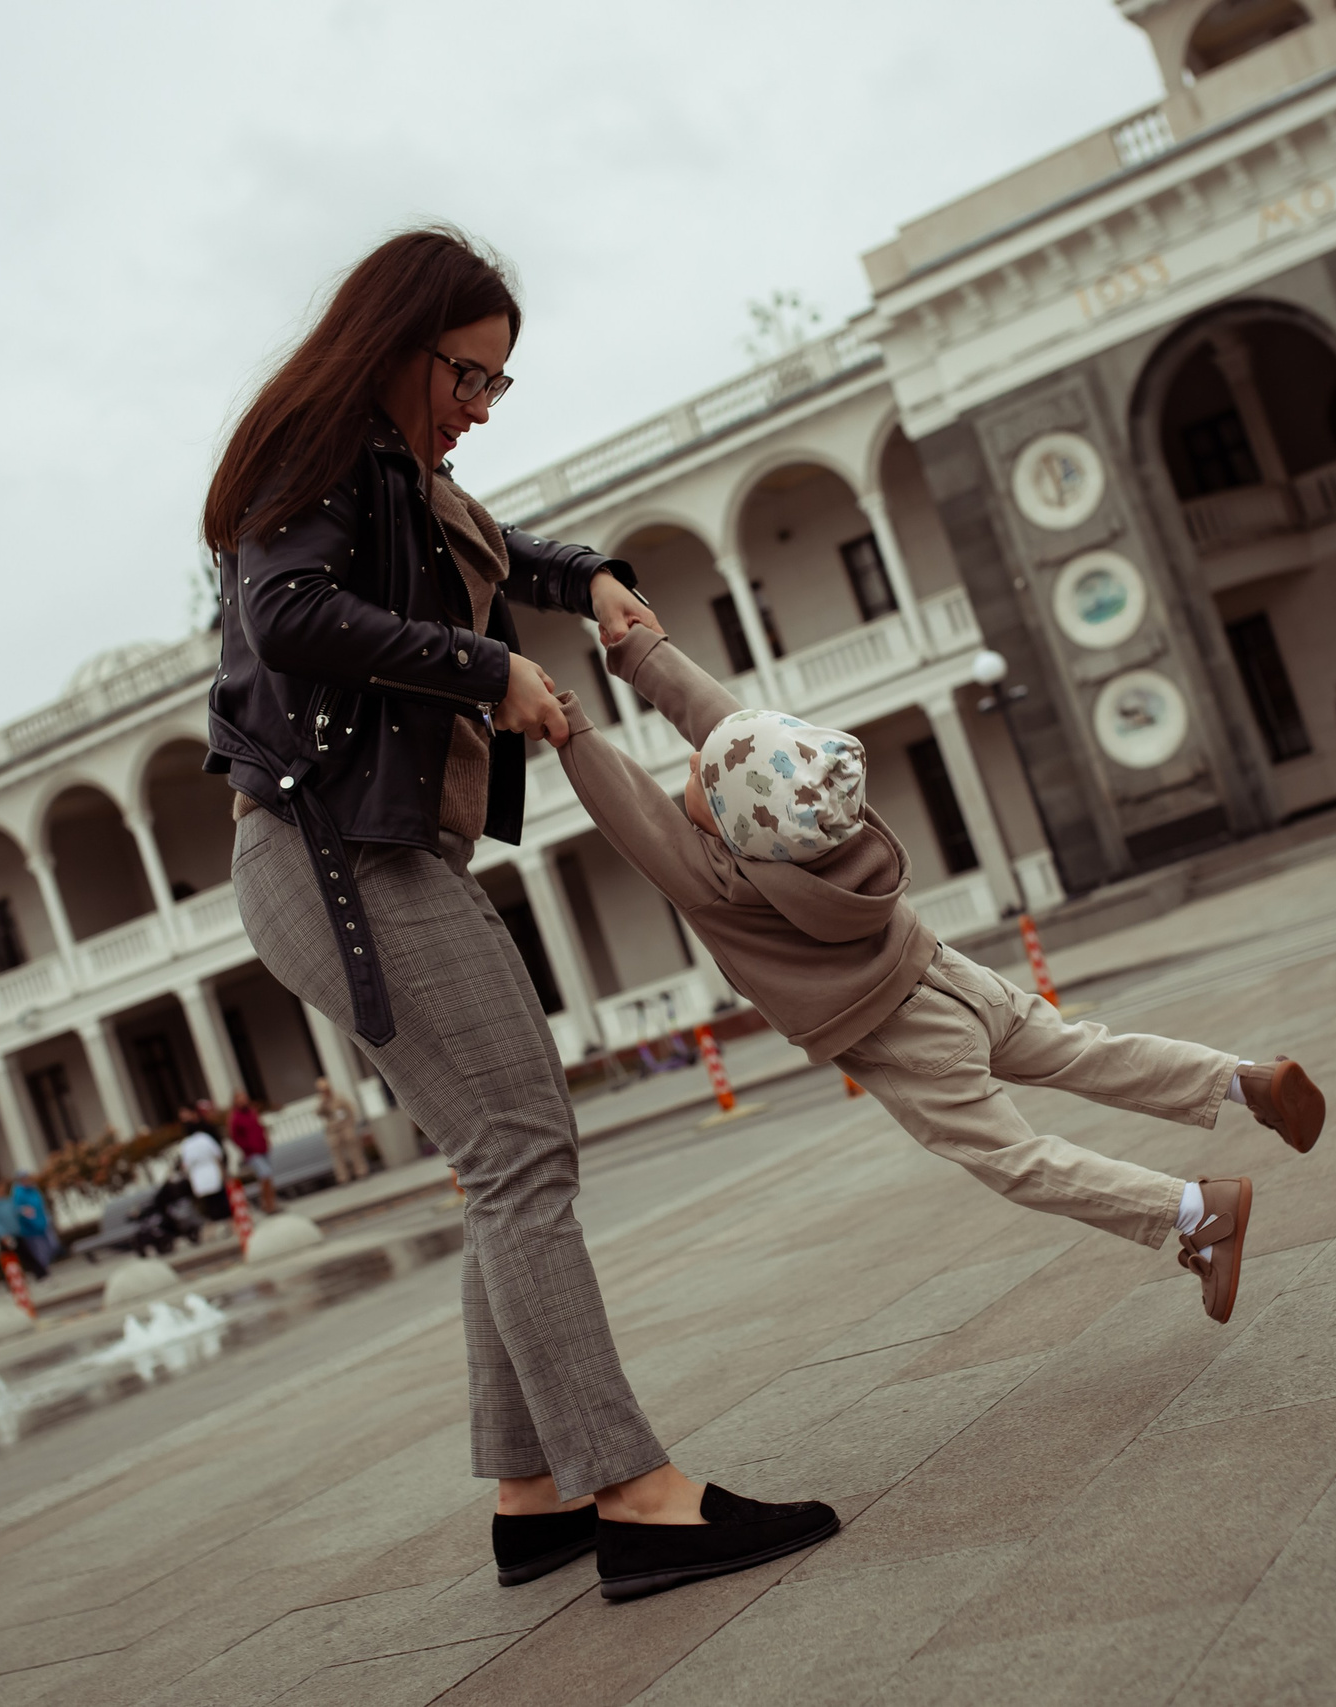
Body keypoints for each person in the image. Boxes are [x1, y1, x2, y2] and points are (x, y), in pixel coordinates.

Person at [206, 226, 832, 1601]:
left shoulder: (397, 472)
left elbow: (491, 549)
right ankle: (636, 1493)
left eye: (497, 382)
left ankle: (534, 1489)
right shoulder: (317, 460)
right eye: (468, 374)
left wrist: (585, 574)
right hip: (329, 854)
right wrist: (488, 670)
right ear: (396, 345)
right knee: (519, 1151)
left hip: (368, 851)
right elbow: (293, 613)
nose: (481, 405)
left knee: (510, 1147)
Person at [554, 627, 1330, 1331]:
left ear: (731, 819)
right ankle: (1243, 1081)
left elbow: (636, 818)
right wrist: (644, 649)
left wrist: (569, 724)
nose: (690, 764)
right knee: (1086, 1050)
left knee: (1014, 1159)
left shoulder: (722, 884)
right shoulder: (830, 808)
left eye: (698, 775)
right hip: (951, 972)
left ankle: (1195, 1211)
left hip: (901, 1035)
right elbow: (733, 728)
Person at [0, 1179, 47, 1280]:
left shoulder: (4, 1200)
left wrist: (23, 1211)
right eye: (0, 1186)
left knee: (22, 1255)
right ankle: (38, 1275)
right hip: (5, 1237)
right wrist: (3, 1235)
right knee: (13, 1258)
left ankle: (39, 1275)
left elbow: (13, 1210)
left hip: (15, 1233)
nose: (3, 1188)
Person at [226, 1091, 278, 1213]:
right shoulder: (235, 1117)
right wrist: (247, 1147)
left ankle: (271, 1202)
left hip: (262, 1148)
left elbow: (260, 1127)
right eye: (240, 1099)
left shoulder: (252, 1112)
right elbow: (235, 1136)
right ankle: (267, 1203)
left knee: (267, 1177)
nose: (243, 1101)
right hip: (252, 1152)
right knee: (265, 1174)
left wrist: (266, 1140)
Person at [313, 1075, 369, 1185]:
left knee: (354, 1150)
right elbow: (317, 1113)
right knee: (337, 1154)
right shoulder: (321, 1101)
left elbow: (350, 1110)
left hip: (345, 1126)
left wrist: (351, 1124)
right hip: (332, 1129)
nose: (325, 1092)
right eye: (322, 1090)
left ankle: (361, 1170)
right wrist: (323, 1102)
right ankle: (343, 1177)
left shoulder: (339, 1097)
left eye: (326, 1089)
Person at [176, 1120, 229, 1227]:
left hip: (199, 1178)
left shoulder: (185, 1145)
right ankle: (227, 1223)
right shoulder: (204, 1138)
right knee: (220, 1200)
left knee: (210, 1204)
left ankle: (218, 1225)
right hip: (213, 1172)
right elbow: (217, 1155)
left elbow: (185, 1165)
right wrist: (223, 1171)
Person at [8, 1174, 57, 1275]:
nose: (27, 1180)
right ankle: (44, 1269)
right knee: (38, 1250)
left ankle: (46, 1267)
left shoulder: (34, 1190)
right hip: (30, 1228)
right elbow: (17, 1210)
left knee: (51, 1246)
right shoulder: (18, 1193)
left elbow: (41, 1206)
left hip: (41, 1224)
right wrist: (24, 1213)